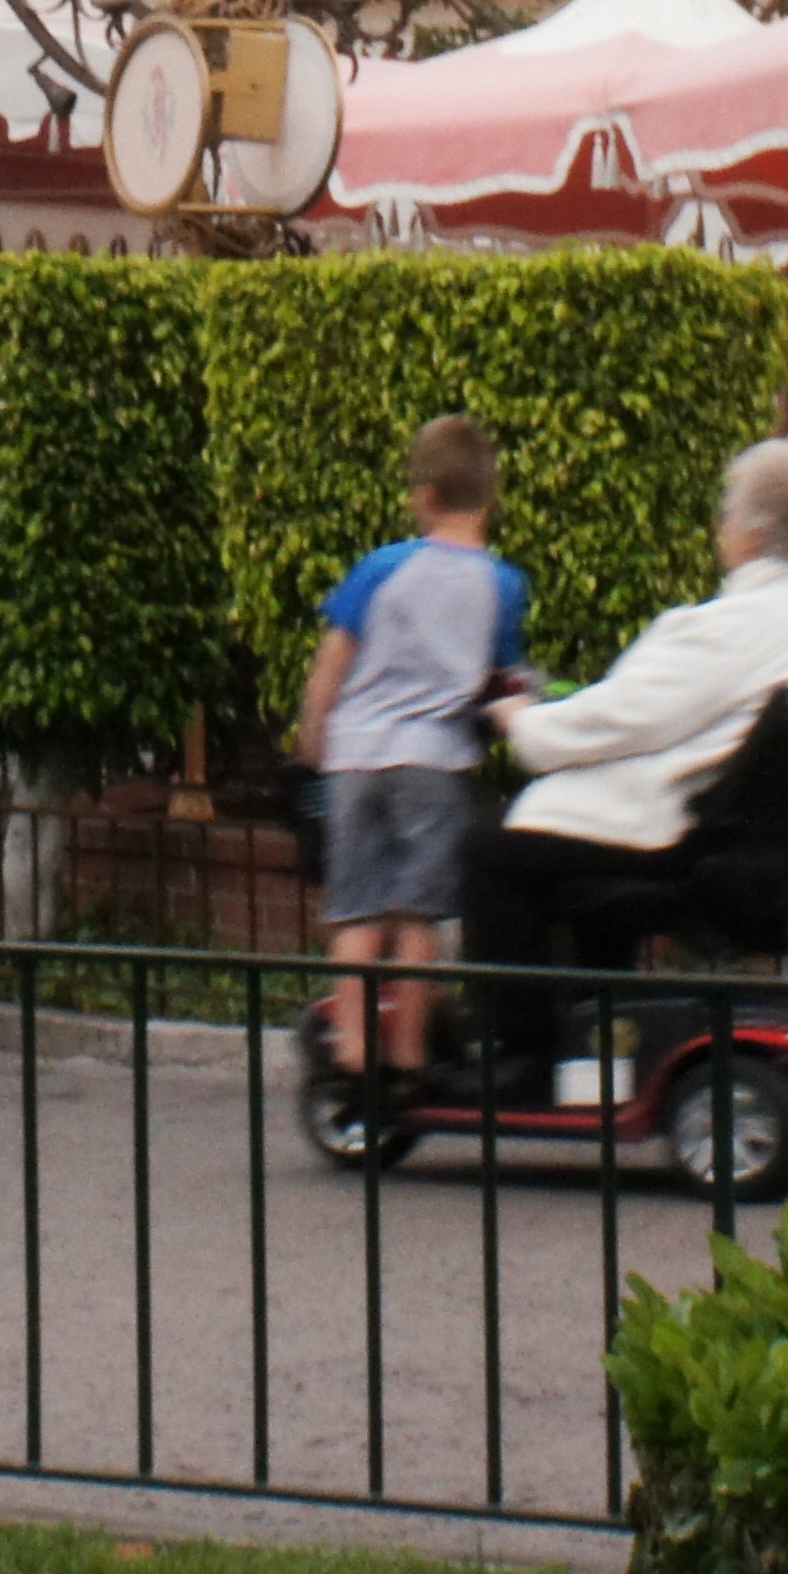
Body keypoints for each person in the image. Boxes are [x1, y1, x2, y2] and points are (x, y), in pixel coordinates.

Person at [460, 436, 788, 1094]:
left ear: (752, 535)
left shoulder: (732, 625)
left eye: (727, 515)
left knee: (490, 852)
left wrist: (519, 720)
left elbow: (621, 717)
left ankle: (522, 1056)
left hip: (695, 849)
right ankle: (596, 1043)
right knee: (573, 854)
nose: (720, 529)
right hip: (769, 852)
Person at [295, 414, 527, 1089]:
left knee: (358, 908)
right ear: (488, 499)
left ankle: (351, 1054)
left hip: (357, 754)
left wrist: (314, 734)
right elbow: (498, 679)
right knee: (421, 910)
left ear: (423, 496)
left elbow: (332, 662)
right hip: (437, 758)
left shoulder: (382, 568)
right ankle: (409, 1056)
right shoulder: (502, 584)